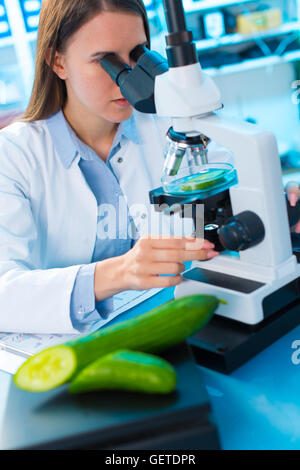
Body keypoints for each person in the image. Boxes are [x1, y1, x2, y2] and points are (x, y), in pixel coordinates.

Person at [0, 0, 226, 335]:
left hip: (175, 324)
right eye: (104, 61)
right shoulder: (13, 156)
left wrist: (271, 200)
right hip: (73, 349)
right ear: (57, 61)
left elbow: (221, 201)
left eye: (137, 55)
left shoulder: (171, 128)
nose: (127, 80)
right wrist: (121, 272)